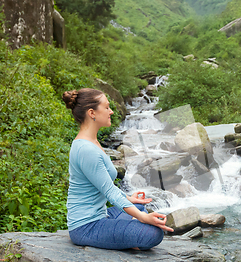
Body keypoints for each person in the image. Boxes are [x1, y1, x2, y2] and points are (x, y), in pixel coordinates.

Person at [62, 88, 173, 250]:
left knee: (139, 208)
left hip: (101, 216)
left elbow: (104, 185)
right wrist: (142, 218)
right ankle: (127, 238)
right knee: (153, 234)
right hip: (86, 226)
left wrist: (130, 199)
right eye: (106, 107)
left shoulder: (92, 142)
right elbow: (110, 192)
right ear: (92, 113)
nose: (111, 111)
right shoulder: (86, 150)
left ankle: (125, 236)